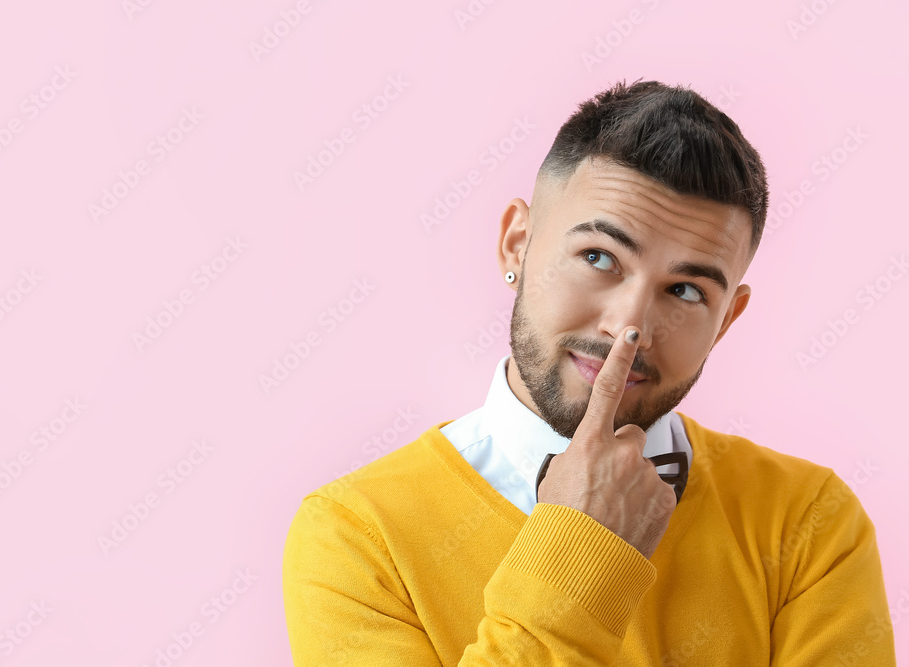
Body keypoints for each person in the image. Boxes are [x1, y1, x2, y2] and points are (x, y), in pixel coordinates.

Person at [282, 79, 896, 665]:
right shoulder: (356, 534)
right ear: (517, 245)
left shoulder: (806, 521)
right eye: (598, 257)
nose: (628, 326)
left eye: (685, 291)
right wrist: (581, 547)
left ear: (727, 320)